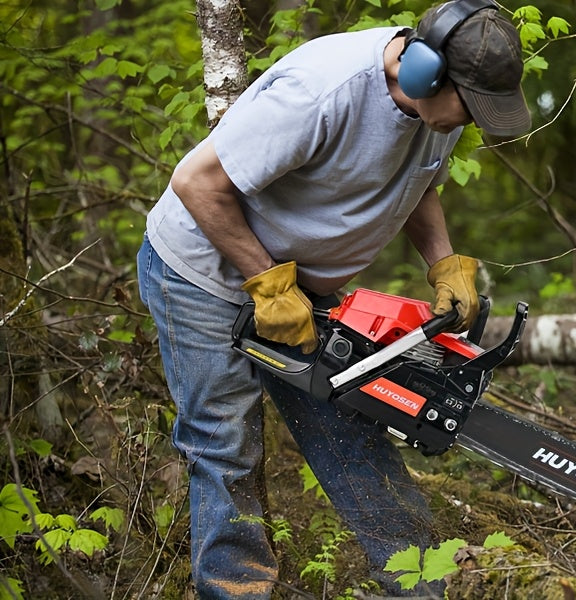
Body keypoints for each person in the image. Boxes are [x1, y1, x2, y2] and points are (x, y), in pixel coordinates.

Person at [135, 0, 531, 597]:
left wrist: (443, 262)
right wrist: (269, 284)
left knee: (355, 417)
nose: (472, 121)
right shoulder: (322, 91)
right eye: (470, 107)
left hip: (302, 289)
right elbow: (197, 183)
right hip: (201, 274)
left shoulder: (434, 116)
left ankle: (419, 582)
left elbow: (416, 185)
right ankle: (234, 592)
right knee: (224, 441)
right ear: (427, 72)